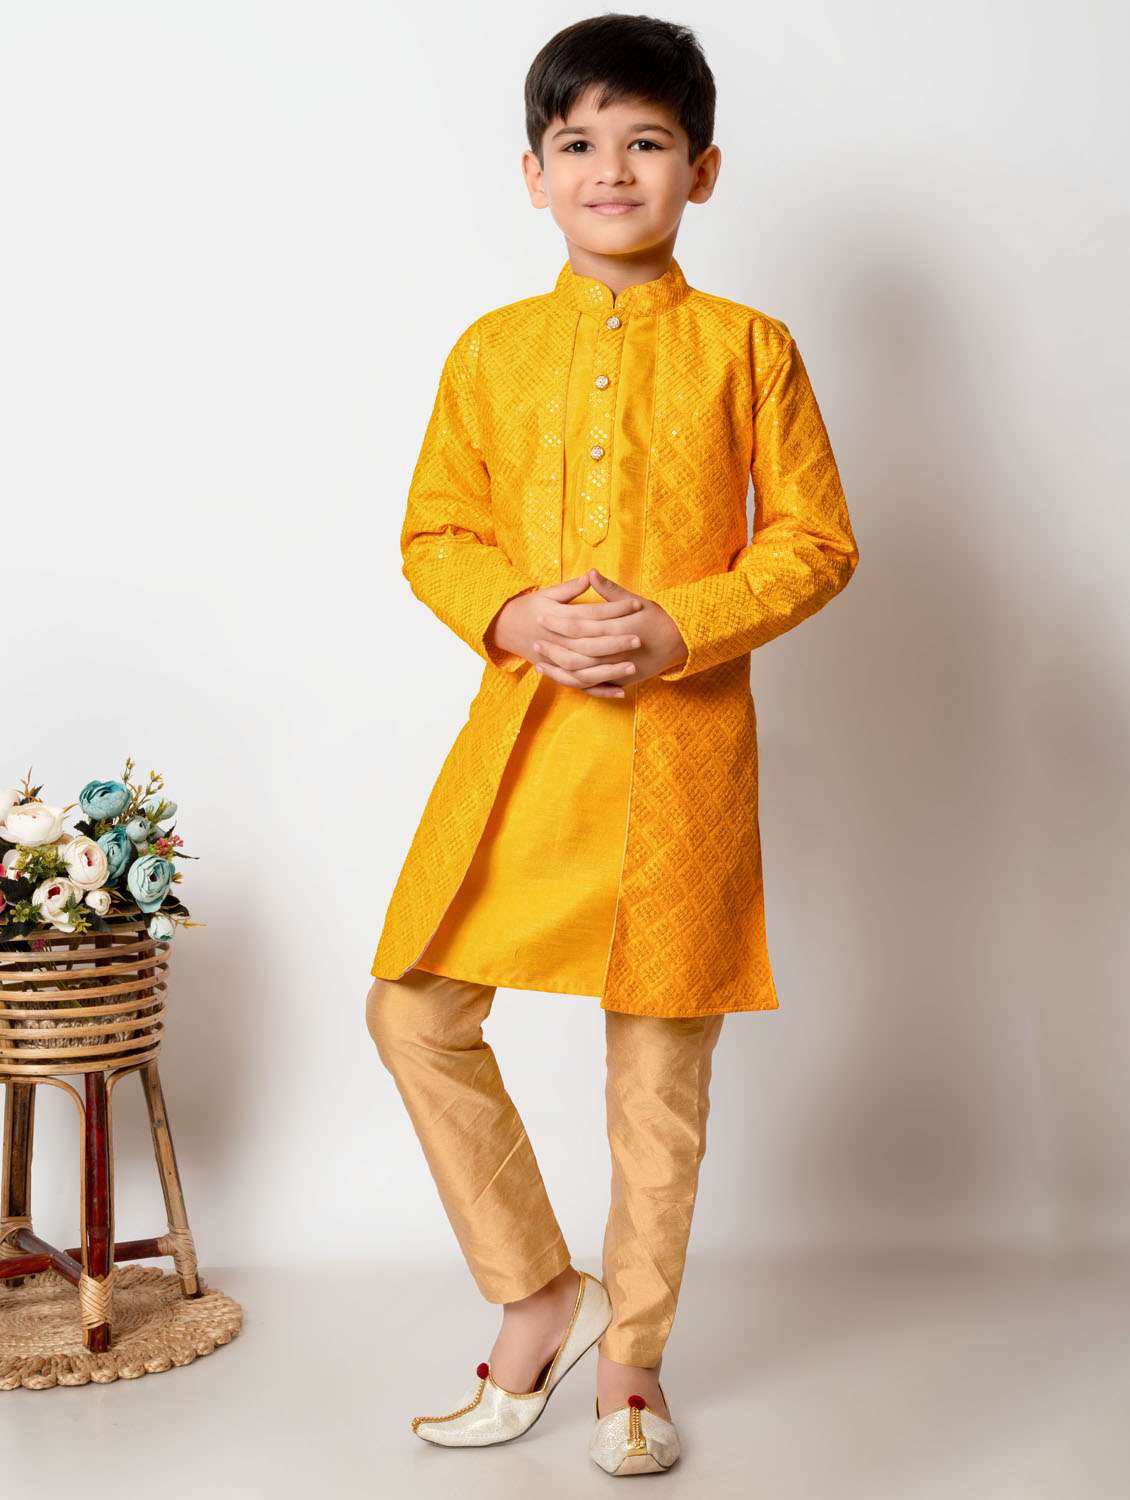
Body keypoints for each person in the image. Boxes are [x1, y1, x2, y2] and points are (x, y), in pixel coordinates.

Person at [365, 12, 859, 1477]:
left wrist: (678, 627)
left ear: (701, 170)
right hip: (526, 747)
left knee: (656, 1079)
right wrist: (513, 612)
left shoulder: (749, 350)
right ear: (533, 174)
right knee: (412, 1011)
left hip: (679, 758)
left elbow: (816, 542)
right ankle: (539, 1294)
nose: (611, 170)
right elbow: (437, 532)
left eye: (646, 141)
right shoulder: (491, 352)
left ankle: (630, 1365)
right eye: (577, 143)